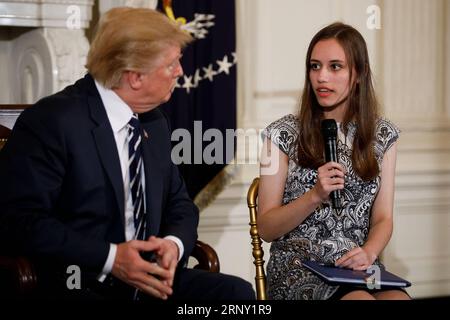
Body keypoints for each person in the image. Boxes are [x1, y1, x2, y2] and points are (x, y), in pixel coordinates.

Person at [0, 7, 254, 300]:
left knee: (235, 295)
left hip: (148, 282)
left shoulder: (154, 121)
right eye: (172, 64)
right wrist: (112, 258)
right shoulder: (54, 121)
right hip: (79, 280)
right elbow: (21, 221)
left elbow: (180, 205)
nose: (180, 72)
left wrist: (172, 244)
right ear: (135, 77)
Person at [258, 22, 410, 300]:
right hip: (299, 267)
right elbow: (266, 227)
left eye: (335, 67)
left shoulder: (383, 135)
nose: (321, 77)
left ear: (358, 74)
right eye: (315, 66)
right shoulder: (280, 134)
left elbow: (384, 218)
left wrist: (369, 252)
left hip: (357, 266)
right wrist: (314, 195)